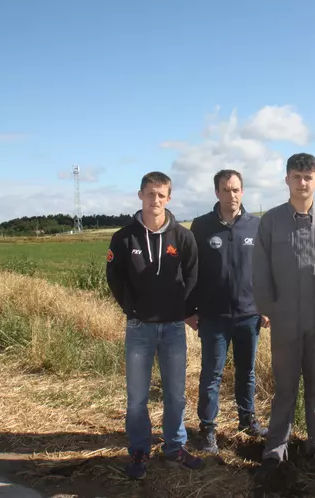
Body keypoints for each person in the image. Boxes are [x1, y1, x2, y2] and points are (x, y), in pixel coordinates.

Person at [252, 153, 315, 477]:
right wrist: (269, 309)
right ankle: (276, 447)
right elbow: (260, 271)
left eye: (308, 177)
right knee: (284, 386)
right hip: (285, 320)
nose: (302, 182)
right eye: (296, 176)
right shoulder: (271, 222)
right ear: (287, 180)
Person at [106, 171, 203, 480]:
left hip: (174, 328)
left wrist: (178, 307)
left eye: (161, 195)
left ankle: (174, 447)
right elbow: (115, 278)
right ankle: (139, 449)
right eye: (150, 194)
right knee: (137, 396)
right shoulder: (124, 237)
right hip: (139, 328)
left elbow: (192, 275)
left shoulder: (183, 236)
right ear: (140, 196)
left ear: (169, 198)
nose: (155, 200)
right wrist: (131, 308)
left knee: (175, 393)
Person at [185, 169, 269, 454]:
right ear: (216, 193)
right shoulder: (202, 226)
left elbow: (265, 270)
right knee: (212, 374)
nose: (231, 195)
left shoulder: (256, 226)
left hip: (249, 314)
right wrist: (189, 310)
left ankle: (248, 420)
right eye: (225, 190)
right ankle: (207, 429)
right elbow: (190, 271)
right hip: (213, 316)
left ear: (242, 192)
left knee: (247, 372)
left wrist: (266, 307)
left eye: (236, 189)